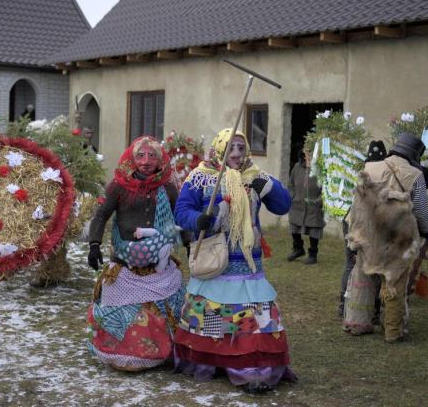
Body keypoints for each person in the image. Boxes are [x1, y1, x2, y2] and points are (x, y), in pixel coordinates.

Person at [173, 128, 296, 393]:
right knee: (212, 318)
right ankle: (212, 361)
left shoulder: (255, 176)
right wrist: (198, 220)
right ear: (219, 149)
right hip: (214, 263)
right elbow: (182, 211)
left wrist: (271, 190)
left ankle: (252, 369)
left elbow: (284, 206)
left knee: (253, 319)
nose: (237, 154)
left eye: (241, 147)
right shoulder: (201, 178)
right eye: (231, 148)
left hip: (248, 265)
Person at [86, 136, 187, 371]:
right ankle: (125, 354)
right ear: (131, 159)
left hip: (158, 266)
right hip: (125, 265)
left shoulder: (168, 188)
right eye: (140, 156)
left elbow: (180, 218)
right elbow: (101, 215)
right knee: (125, 311)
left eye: (152, 156)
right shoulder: (118, 186)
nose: (146, 161)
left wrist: (191, 245)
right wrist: (94, 244)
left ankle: (160, 351)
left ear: (160, 160)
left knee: (160, 309)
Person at [345, 132, 428, 343]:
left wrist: (354, 233)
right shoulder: (415, 174)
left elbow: (356, 203)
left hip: (368, 233)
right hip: (398, 237)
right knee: (394, 281)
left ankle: (358, 323)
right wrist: (426, 231)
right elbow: (421, 211)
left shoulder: (370, 167)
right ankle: (393, 332)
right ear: (414, 154)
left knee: (363, 276)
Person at [338, 140, 387, 320]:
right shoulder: (383, 174)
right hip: (360, 222)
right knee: (368, 264)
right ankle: (370, 309)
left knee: (352, 263)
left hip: (352, 220)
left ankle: (345, 305)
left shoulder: (364, 171)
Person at [287, 144, 325, 264]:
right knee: (294, 226)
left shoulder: (321, 169)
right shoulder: (297, 167)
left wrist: (320, 200)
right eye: (305, 156)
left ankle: (313, 254)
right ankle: (298, 249)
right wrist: (292, 195)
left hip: (314, 205)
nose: (306, 159)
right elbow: (290, 184)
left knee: (314, 228)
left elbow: (326, 188)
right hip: (297, 204)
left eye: (310, 156)